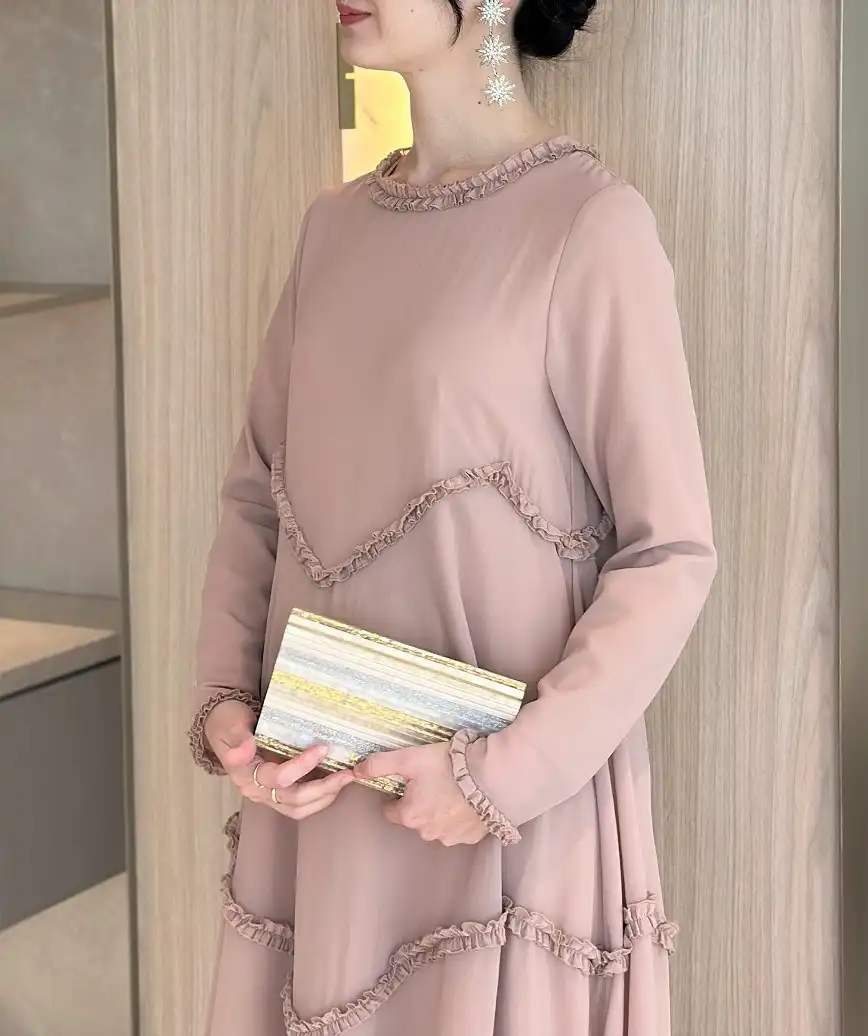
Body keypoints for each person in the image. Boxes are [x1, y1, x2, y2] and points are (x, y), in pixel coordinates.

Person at [188, 0, 717, 1033]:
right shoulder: (333, 228)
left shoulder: (587, 223)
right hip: (323, 805)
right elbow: (257, 494)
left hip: (500, 825)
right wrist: (227, 709)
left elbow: (670, 552)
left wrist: (495, 780)